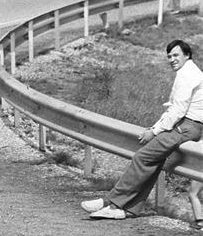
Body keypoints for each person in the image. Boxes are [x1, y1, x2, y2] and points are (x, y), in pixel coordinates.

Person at [81, 39, 203, 220]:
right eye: (169, 56)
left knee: (142, 157)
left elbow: (178, 110)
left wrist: (153, 132)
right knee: (153, 162)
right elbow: (174, 109)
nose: (172, 59)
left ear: (187, 55)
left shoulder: (187, 75)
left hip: (187, 125)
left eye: (176, 55)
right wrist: (156, 128)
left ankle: (110, 202)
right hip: (189, 125)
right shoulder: (190, 71)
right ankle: (127, 209)